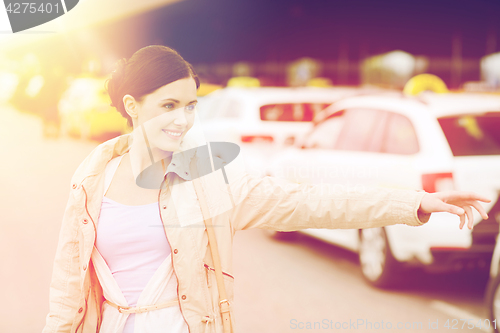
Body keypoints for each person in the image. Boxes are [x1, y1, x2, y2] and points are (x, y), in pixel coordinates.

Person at [42, 45, 490, 333]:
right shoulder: (91, 179)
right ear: (132, 107)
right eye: (169, 106)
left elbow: (308, 202)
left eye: (191, 106)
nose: (182, 119)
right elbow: (67, 290)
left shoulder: (204, 177)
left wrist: (412, 201)